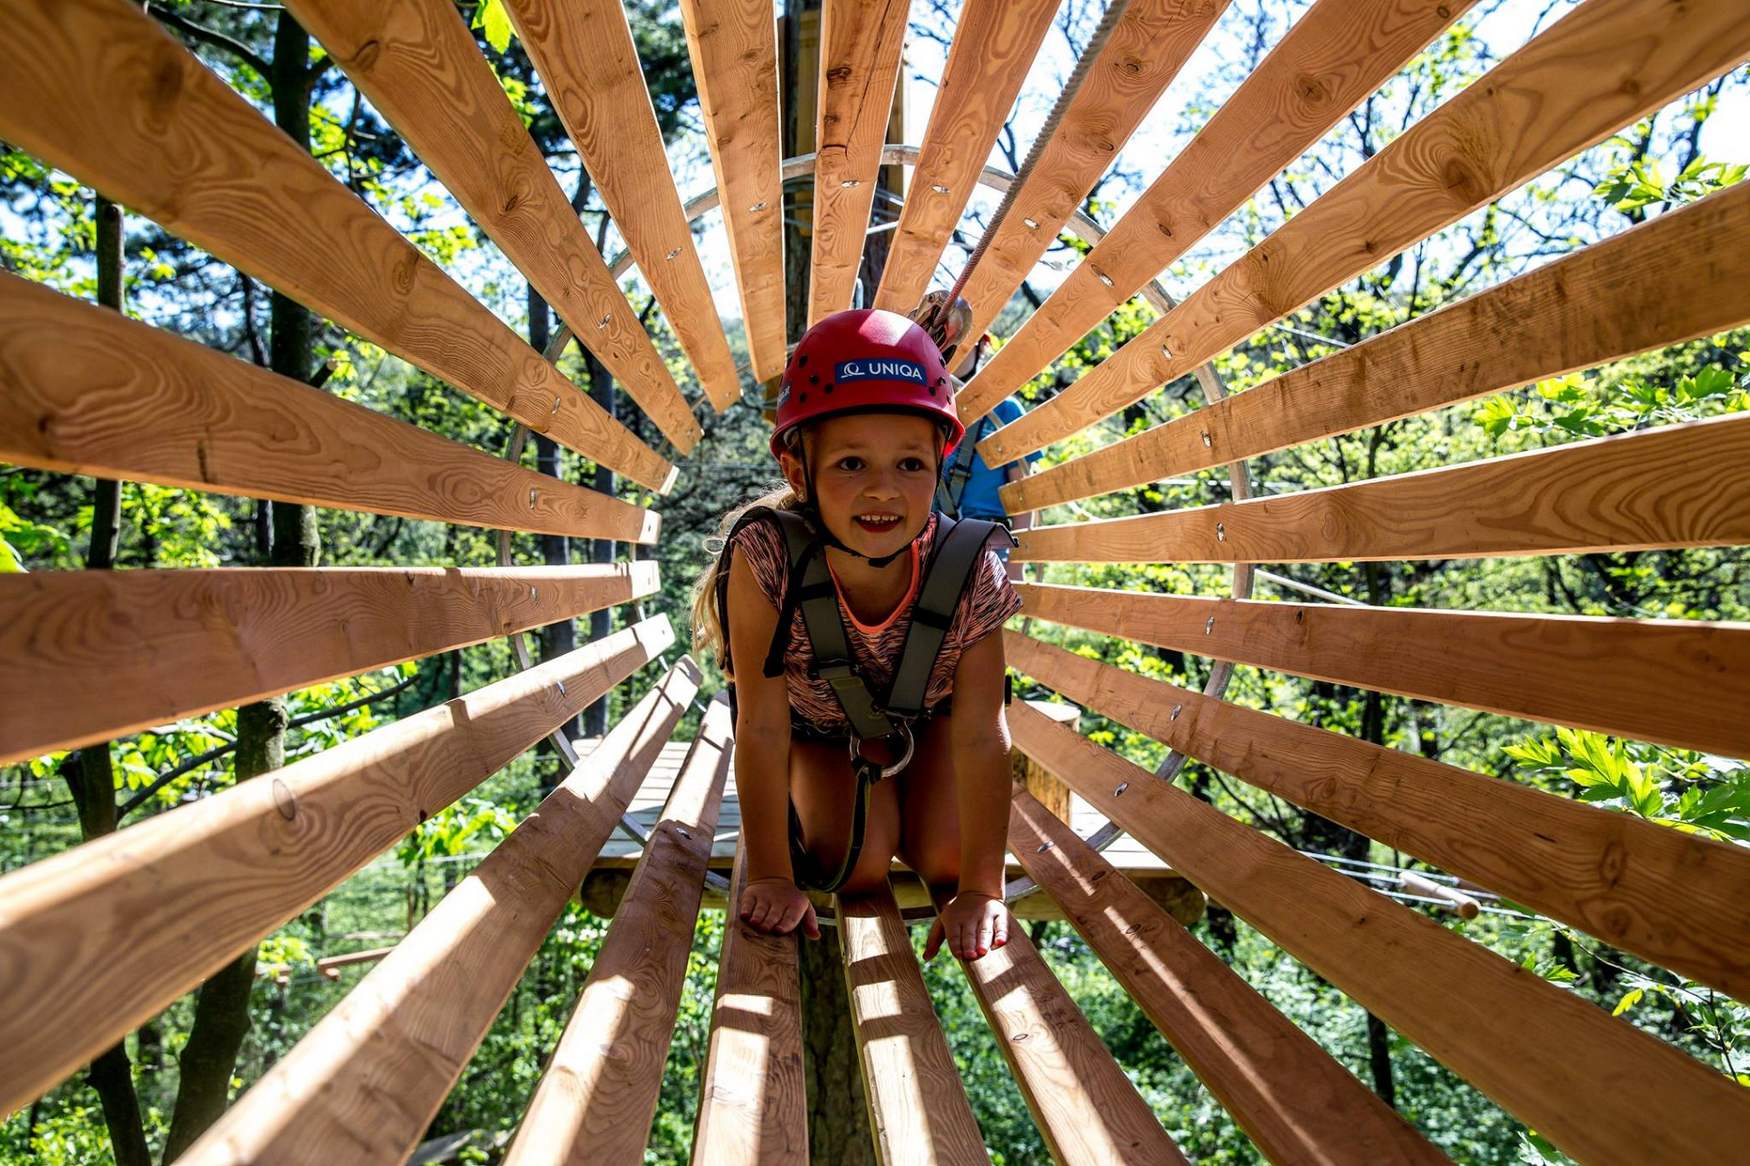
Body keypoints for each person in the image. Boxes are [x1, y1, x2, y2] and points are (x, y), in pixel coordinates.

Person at [691, 308, 1018, 963]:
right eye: (849, 463)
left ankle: (911, 809)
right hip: (813, 733)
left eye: (908, 464)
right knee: (855, 864)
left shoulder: (969, 570)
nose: (882, 491)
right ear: (797, 471)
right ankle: (846, 800)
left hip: (929, 725)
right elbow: (759, 725)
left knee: (949, 859)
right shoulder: (765, 560)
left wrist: (985, 888)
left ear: (938, 462)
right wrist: (774, 876)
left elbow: (983, 732)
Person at [936, 339, 1040, 582]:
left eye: (963, 345)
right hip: (929, 545)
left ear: (980, 348)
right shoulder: (922, 405)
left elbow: (1024, 492)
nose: (955, 354)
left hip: (988, 549)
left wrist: (1017, 564)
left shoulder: (1005, 411)